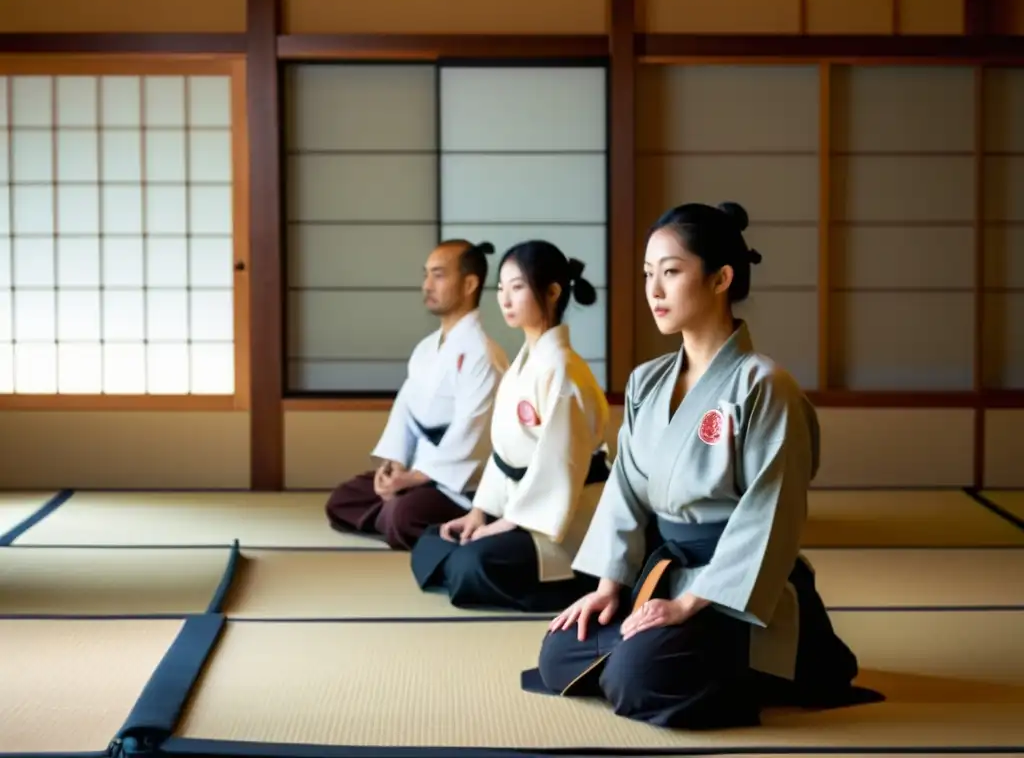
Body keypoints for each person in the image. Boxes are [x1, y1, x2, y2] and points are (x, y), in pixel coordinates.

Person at [521, 202, 881, 730]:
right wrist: (608, 585)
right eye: (648, 275)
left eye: (670, 272)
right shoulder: (648, 381)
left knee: (633, 677)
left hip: (732, 588)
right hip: (663, 576)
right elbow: (625, 491)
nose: (654, 290)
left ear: (721, 279)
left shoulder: (764, 386)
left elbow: (771, 515)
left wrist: (690, 603)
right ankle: (667, 660)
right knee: (559, 653)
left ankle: (758, 663)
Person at [410, 240, 612, 613]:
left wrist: (507, 523)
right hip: (521, 507)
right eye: (501, 288)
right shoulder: (528, 360)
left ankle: (577, 585)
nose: (504, 298)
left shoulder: (564, 372)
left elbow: (560, 468)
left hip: (563, 523)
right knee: (433, 540)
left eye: (516, 287)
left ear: (552, 292)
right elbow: (505, 456)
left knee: (472, 561)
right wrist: (481, 511)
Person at [325, 240, 509, 550]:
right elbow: (404, 412)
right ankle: (399, 515)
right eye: (426, 275)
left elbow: (472, 432)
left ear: (469, 283)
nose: (427, 285)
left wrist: (413, 479)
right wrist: (395, 465)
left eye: (438, 275)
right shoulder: (426, 348)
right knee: (342, 499)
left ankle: (432, 520)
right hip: (419, 471)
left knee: (401, 515)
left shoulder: (483, 354)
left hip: (461, 484)